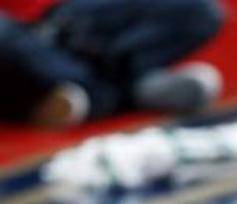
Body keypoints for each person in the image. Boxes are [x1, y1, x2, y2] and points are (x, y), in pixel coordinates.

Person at [0, 0, 223, 127]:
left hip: (61, 26)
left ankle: (105, 92)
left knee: (199, 10)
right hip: (18, 49)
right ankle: (127, 90)